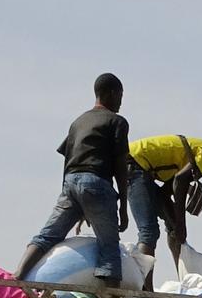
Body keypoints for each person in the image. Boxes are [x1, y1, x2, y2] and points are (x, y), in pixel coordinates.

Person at [14, 73, 130, 286]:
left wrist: (75, 200)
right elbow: (120, 166)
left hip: (71, 181)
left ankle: (18, 276)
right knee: (109, 246)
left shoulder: (78, 121)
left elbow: (68, 158)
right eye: (120, 95)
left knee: (48, 235)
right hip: (97, 182)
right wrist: (123, 203)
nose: (121, 102)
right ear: (111, 93)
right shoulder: (117, 122)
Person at [127, 135, 202, 268]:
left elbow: (165, 193)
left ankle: (183, 277)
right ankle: (145, 287)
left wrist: (176, 225)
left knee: (173, 226)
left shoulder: (193, 156)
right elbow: (180, 180)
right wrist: (182, 224)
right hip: (135, 165)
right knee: (149, 232)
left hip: (137, 165)